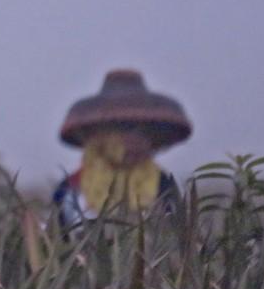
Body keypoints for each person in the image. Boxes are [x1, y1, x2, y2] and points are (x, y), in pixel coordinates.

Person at [52, 69, 192, 229]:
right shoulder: (71, 188)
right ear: (98, 137)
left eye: (143, 131)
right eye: (123, 129)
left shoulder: (163, 184)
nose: (134, 140)